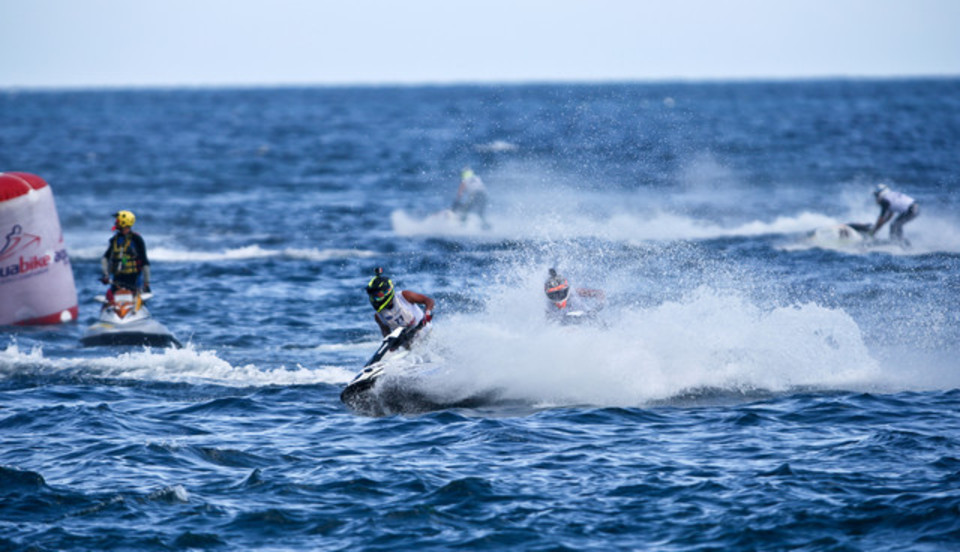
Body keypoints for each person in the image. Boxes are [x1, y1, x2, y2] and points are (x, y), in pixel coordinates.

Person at [366, 267, 435, 340]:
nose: (375, 299)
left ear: (388, 291)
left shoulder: (405, 296)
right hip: (411, 345)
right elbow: (386, 334)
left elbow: (429, 301)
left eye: (378, 295)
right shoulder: (378, 316)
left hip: (427, 335)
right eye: (373, 296)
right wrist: (391, 344)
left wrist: (427, 313)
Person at [101, 210, 151, 296]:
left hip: (134, 280)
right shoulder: (114, 240)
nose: (115, 223)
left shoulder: (137, 239)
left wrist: (146, 283)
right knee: (109, 296)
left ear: (124, 222)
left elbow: (144, 262)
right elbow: (105, 258)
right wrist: (106, 275)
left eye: (118, 221)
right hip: (117, 280)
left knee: (135, 298)